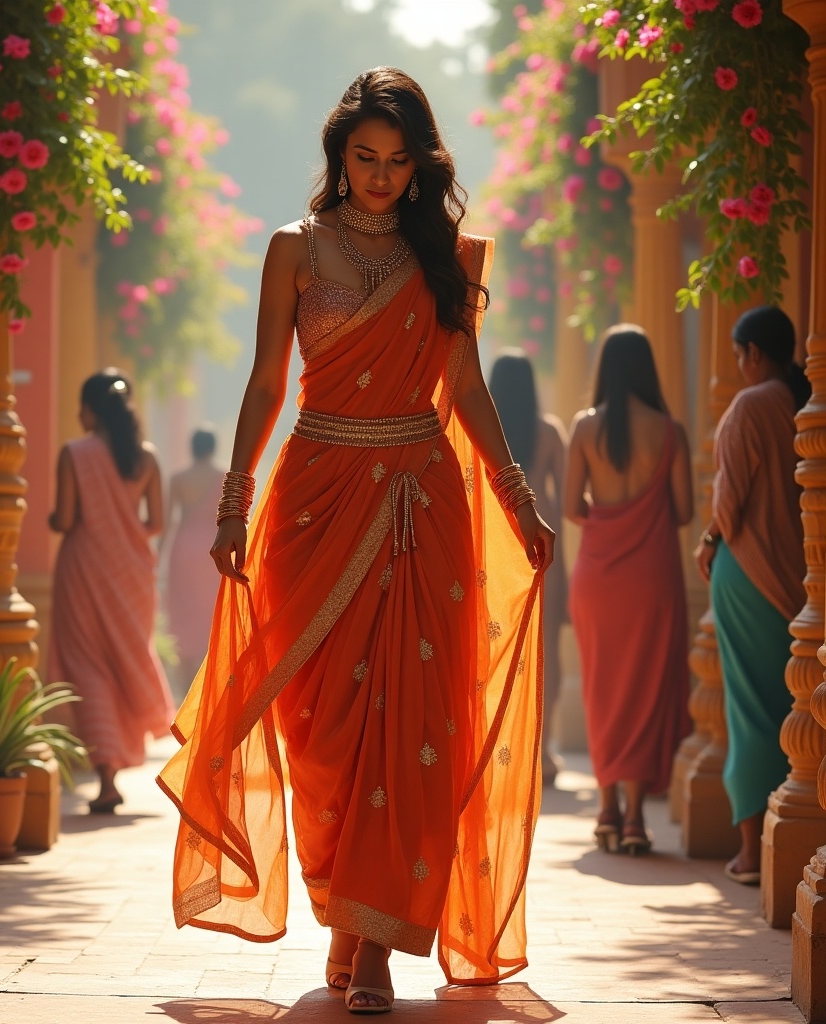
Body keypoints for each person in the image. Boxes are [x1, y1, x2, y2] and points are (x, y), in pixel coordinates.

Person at [157, 67, 555, 1014]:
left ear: (421, 164)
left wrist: (517, 496)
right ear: (339, 156)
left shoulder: (447, 257)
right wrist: (231, 505)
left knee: (417, 726)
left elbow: (465, 392)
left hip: (423, 508)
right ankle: (348, 918)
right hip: (313, 500)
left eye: (396, 160)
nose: (379, 176)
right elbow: (265, 385)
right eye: (363, 158)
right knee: (324, 732)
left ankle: (371, 950)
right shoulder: (295, 249)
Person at [564, 325, 693, 855]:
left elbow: (573, 507)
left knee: (602, 686)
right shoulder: (670, 432)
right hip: (652, 577)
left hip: (598, 577)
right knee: (645, 688)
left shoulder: (585, 428)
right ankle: (637, 817)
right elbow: (683, 511)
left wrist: (611, 522)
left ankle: (606, 807)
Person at [694, 305, 808, 886]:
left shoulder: (749, 405)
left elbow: (730, 501)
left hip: (746, 573)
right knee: (791, 705)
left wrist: (708, 538)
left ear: (754, 354)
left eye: (739, 356)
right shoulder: (802, 401)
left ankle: (748, 849)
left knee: (749, 710)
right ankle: (795, 834)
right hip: (798, 580)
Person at [48, 369, 174, 814]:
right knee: (125, 656)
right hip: (132, 573)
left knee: (89, 665)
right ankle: (114, 764)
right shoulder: (147, 457)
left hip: (84, 570)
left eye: (81, 404)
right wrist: (123, 534)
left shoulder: (74, 453)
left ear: (92, 409)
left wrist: (50, 519)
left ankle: (105, 774)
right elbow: (157, 523)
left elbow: (64, 520)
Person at [487, 349, 568, 785]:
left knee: (495, 645)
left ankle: (501, 744)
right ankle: (544, 746)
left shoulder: (483, 435)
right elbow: (566, 502)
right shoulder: (550, 433)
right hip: (544, 554)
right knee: (547, 649)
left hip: (497, 552)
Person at [162, 427, 224, 699]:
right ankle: (207, 685)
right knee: (208, 614)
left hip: (183, 549)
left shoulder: (178, 479)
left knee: (185, 613)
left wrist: (157, 558)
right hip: (213, 550)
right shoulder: (224, 478)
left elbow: (166, 523)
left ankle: (188, 685)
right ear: (212, 447)